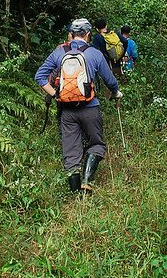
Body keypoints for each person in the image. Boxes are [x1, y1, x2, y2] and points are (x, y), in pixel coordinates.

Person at [35, 18, 123, 193]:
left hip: (66, 109)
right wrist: (116, 92)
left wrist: (56, 95)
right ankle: (86, 181)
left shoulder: (59, 52)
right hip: (90, 107)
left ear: (71, 34)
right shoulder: (94, 53)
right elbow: (110, 81)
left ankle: (74, 191)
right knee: (96, 144)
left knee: (71, 149)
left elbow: (40, 77)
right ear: (88, 34)